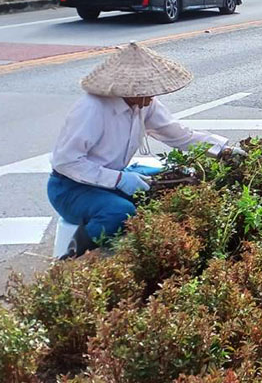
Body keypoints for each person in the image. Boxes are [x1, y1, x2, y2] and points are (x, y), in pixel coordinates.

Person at [48, 42, 244, 257]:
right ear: (129, 88)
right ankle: (74, 256)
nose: (152, 96)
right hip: (71, 188)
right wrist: (118, 180)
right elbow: (66, 162)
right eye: (147, 91)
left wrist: (222, 149)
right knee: (120, 212)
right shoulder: (92, 109)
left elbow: (178, 134)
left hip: (112, 177)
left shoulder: (143, 104)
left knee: (176, 180)